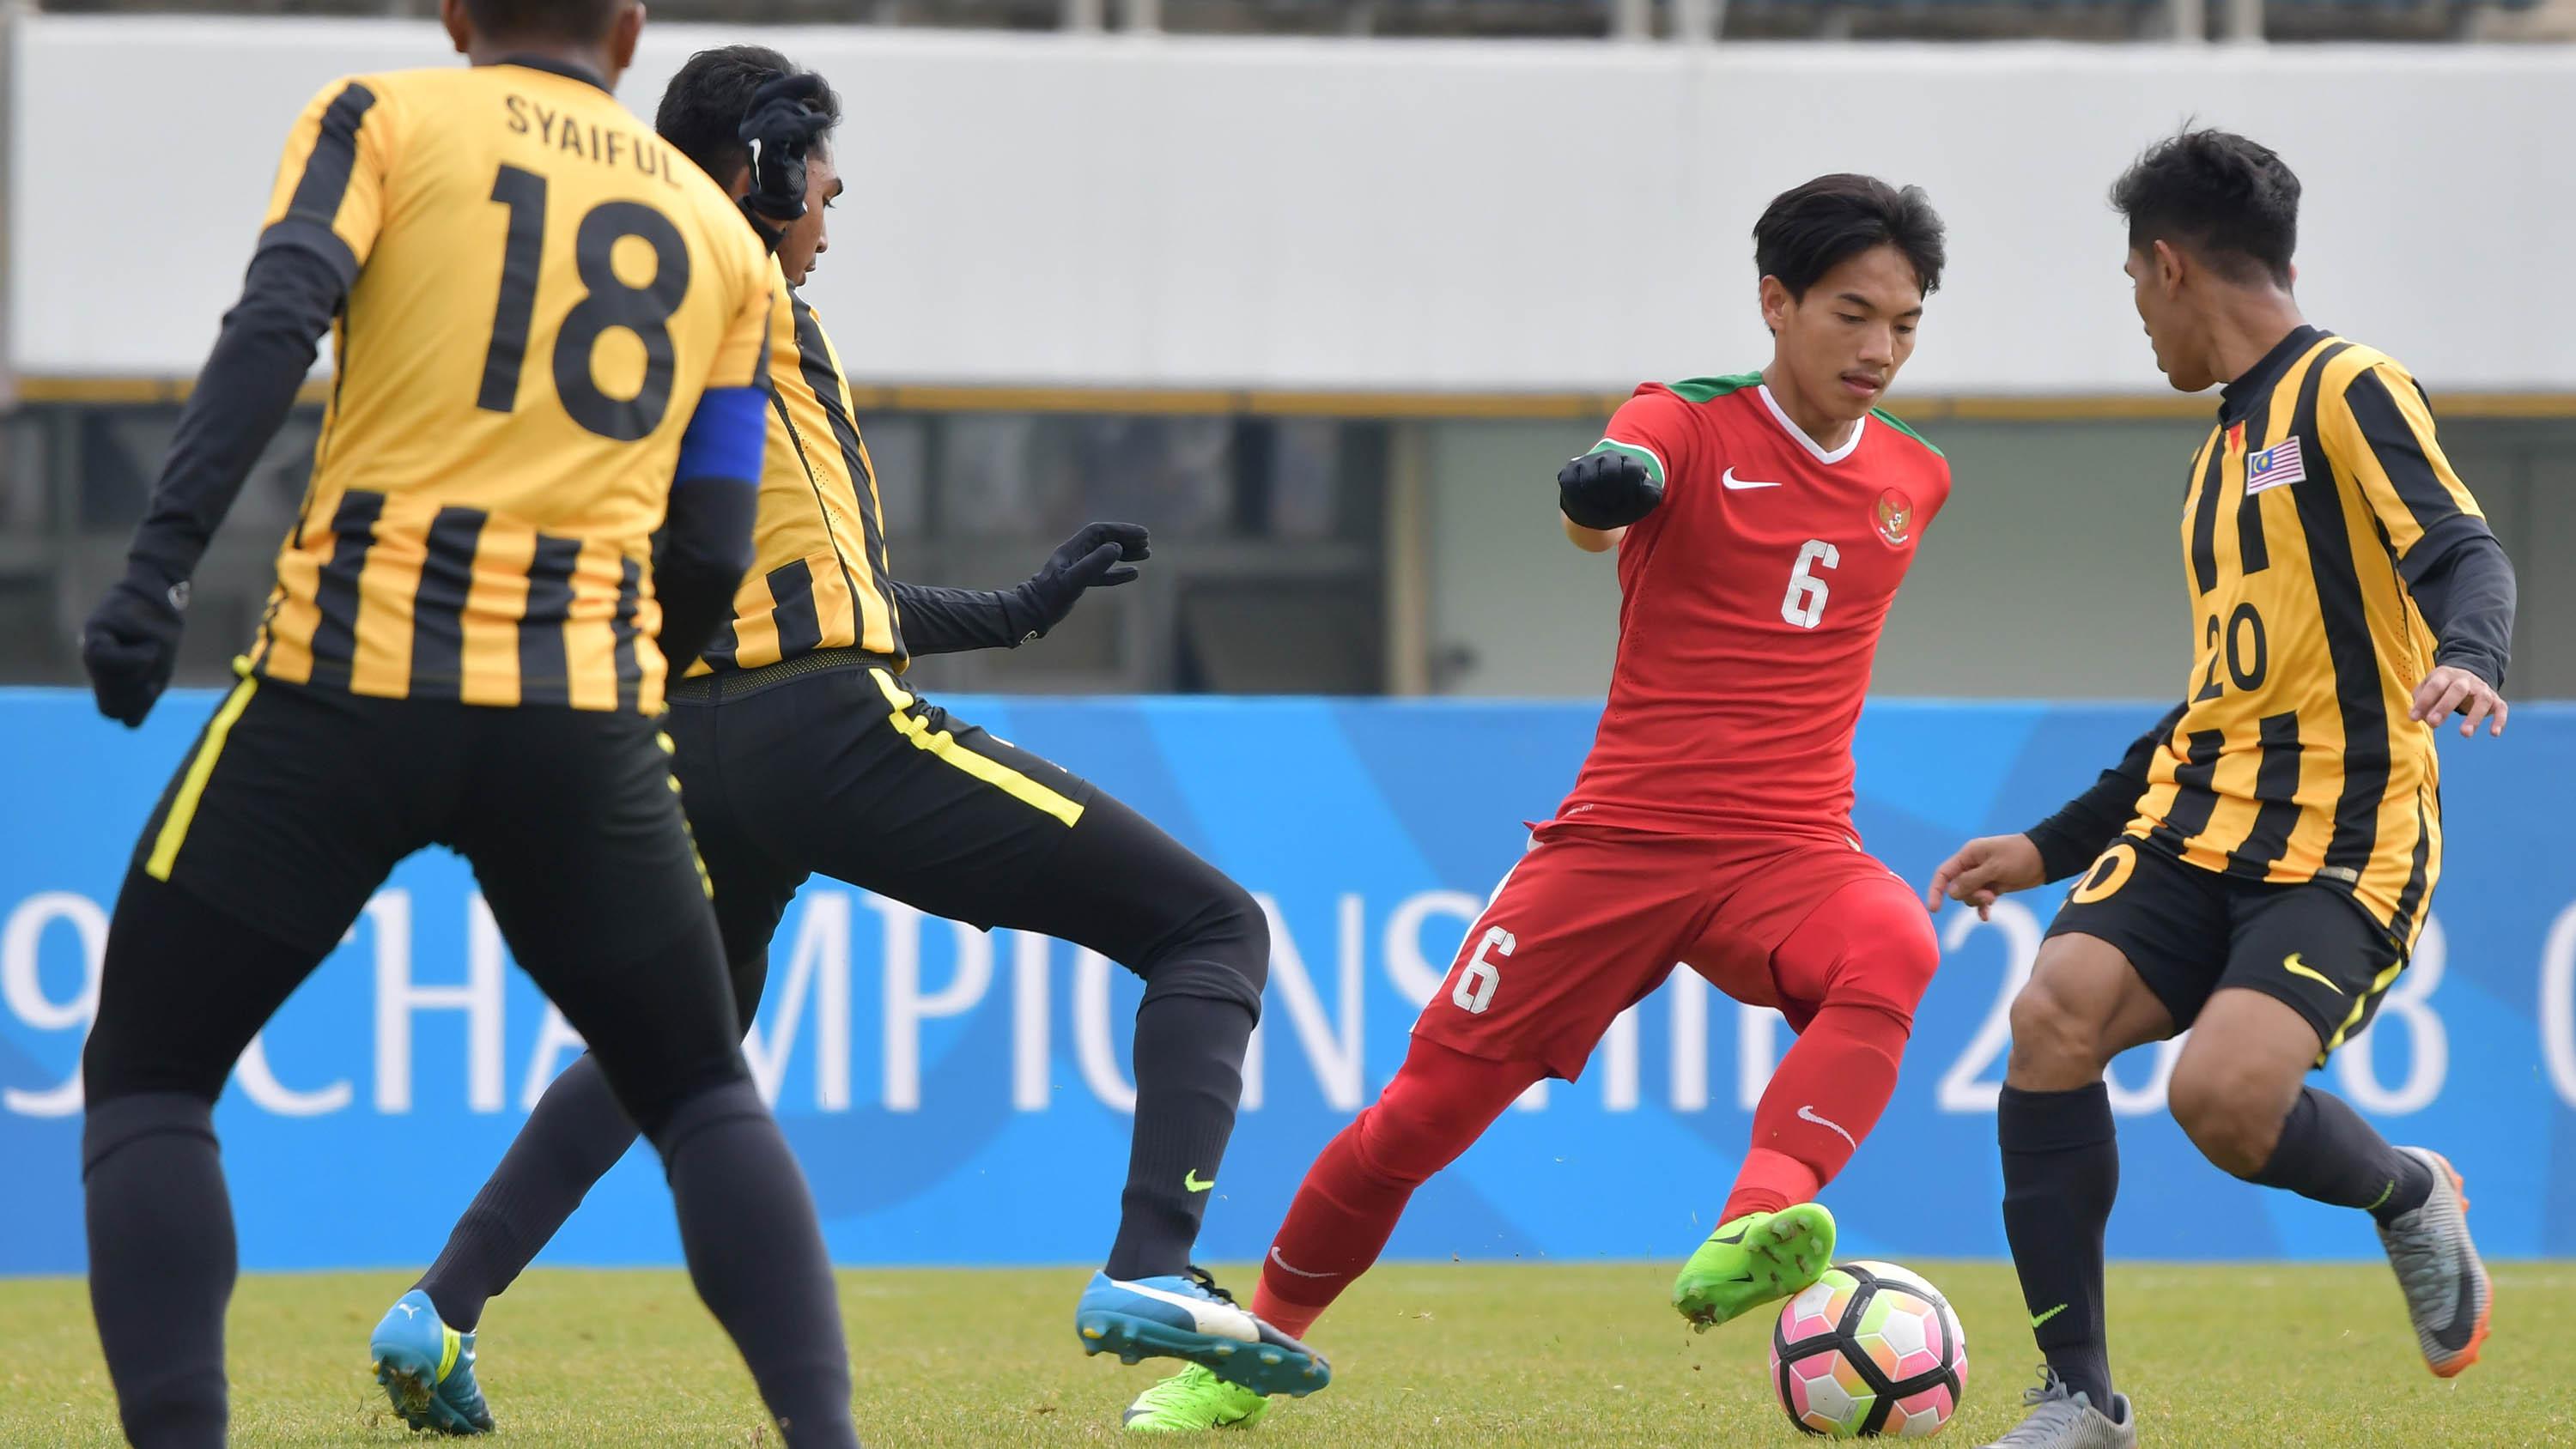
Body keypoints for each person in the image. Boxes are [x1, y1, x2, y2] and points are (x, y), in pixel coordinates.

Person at [364, 45, 1321, 1438]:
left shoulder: (610, 350)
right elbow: (817, 630)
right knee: (1211, 929)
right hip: (819, 731)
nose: (832, 208)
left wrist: (1013, 606)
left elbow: (794, 586)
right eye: (817, 177)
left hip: (693, 752)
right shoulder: (751, 299)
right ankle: (1152, 1264)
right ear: (753, 172)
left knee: (671, 1040)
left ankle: (437, 1308)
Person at [71, 4, 866, 1446]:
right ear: (629, 30)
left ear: (453, 12)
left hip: (346, 681)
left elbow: (272, 329)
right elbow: (707, 542)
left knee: (150, 1075)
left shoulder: (378, 118)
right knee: (699, 1093)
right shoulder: (712, 227)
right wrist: (634, 687)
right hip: (576, 711)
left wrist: (156, 572)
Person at [1122, 173, 1954, 1432]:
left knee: (1894, 940)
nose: (1881, 349)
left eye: (1905, 323)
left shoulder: (1917, 479)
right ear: (1775, 304)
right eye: (1853, 314)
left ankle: (1757, 1222)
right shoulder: (1686, 419)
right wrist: (1602, 493)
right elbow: (1607, 491)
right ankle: (1247, 1357)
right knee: (1414, 1122)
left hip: (1792, 852)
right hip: (1616, 849)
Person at [1929, 129, 2514, 1449]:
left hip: (2344, 837)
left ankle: (2407, 1190)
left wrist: (2472, 656)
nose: (2140, 317)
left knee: (2223, 1100)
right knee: (2052, 1014)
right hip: (2200, 822)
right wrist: (2046, 847)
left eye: (2135, 287)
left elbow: (2465, 549)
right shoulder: (2218, 455)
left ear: (2169, 264)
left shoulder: (2347, 389)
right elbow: (2216, 703)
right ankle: (2080, 1400)